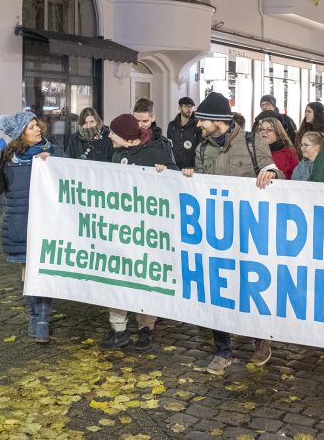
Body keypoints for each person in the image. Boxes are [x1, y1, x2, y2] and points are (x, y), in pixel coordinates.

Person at [182, 92, 282, 375]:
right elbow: (198, 185)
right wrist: (189, 177)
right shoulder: (203, 149)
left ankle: (260, 340)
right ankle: (222, 350)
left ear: (217, 120)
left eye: (202, 120)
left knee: (250, 288)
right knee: (217, 290)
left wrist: (272, 174)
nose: (198, 125)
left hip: (249, 232)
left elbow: (274, 171)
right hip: (216, 233)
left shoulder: (252, 142)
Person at [98, 114, 179, 351]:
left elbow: (173, 183)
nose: (109, 136)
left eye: (112, 132)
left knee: (145, 277)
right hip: (120, 229)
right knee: (117, 276)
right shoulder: (117, 155)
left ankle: (146, 327)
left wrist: (167, 173)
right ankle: (118, 328)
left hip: (147, 231)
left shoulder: (156, 152)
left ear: (125, 137)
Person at [0, 111, 64, 343]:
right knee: (29, 273)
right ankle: (33, 315)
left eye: (36, 124)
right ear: (20, 135)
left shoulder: (53, 151)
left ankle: (42, 320)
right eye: (31, 127)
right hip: (20, 222)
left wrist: (55, 164)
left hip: (47, 223)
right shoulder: (8, 158)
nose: (37, 129)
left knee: (43, 271)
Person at [167, 96, 202, 169]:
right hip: (175, 167)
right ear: (179, 108)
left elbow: (201, 147)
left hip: (192, 168)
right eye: (185, 106)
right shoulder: (172, 125)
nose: (189, 109)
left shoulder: (198, 125)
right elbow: (169, 146)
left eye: (191, 106)